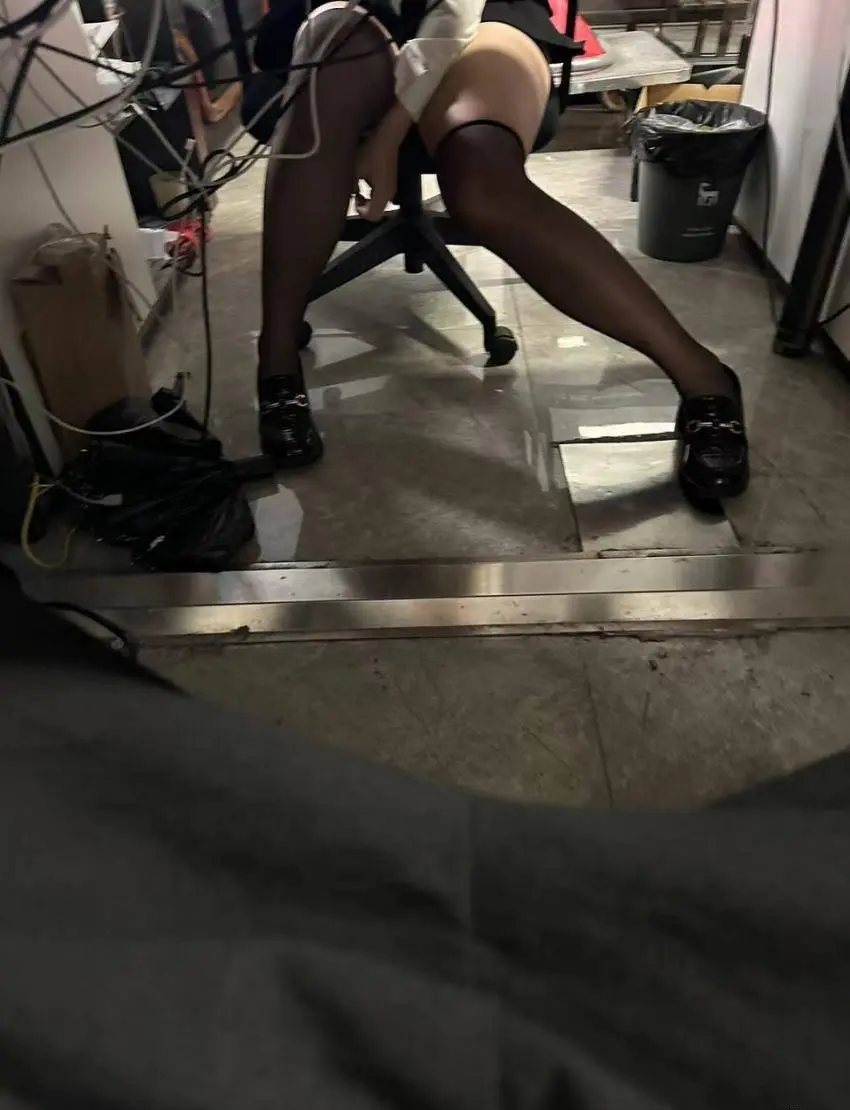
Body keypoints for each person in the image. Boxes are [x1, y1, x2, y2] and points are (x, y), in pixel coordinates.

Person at [248, 0, 749, 509]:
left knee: (483, 185)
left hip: (477, 16)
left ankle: (704, 379)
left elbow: (454, 13)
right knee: (330, 60)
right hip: (345, 15)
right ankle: (277, 356)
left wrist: (393, 128)